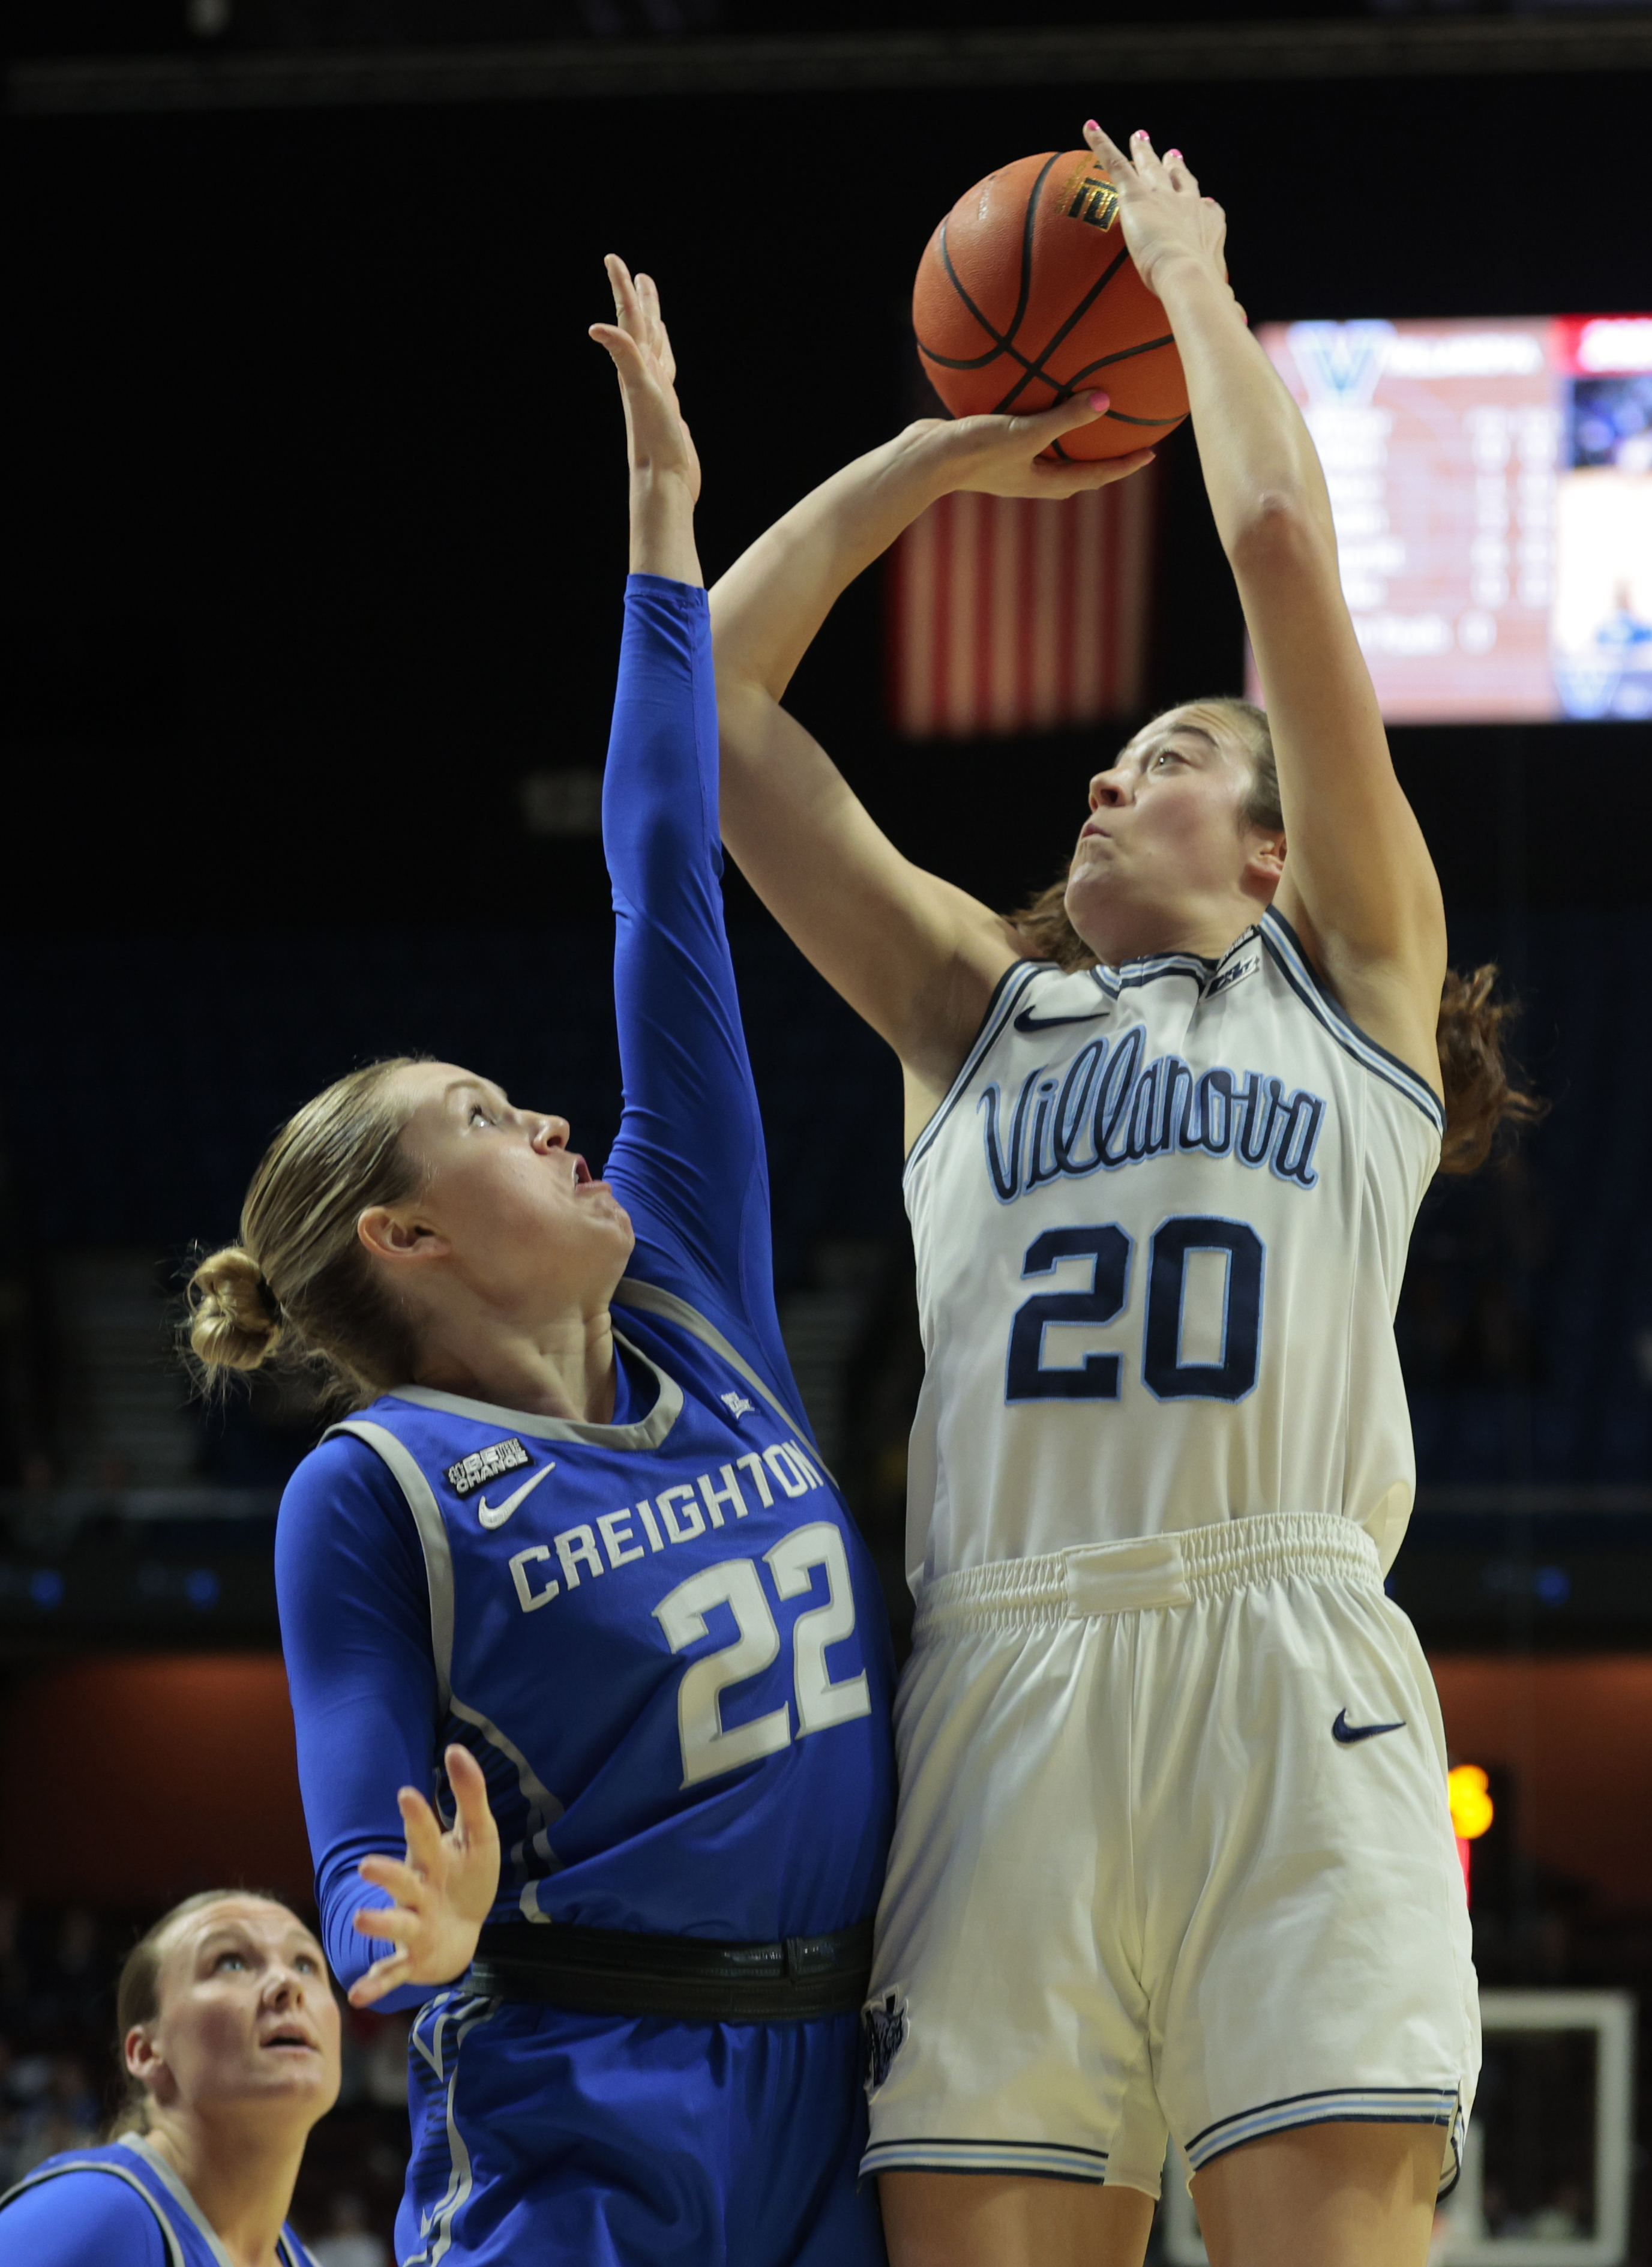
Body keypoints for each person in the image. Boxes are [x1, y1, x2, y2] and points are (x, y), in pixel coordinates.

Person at [710, 126, 1537, 2267]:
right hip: (1005, 1692)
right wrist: (936, 458)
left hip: (1291, 1674)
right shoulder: (968, 1020)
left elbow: (1269, 534)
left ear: (1274, 847)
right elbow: (691, 707)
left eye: (1170, 753)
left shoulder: (1347, 990)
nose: (1105, 772)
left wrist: (1186, 279)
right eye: (1110, 757)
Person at [182, 258, 894, 2267]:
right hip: (594, 2120)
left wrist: (667, 509)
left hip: (847, 2090)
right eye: (493, 1116)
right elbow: (366, 1881)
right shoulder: (375, 1488)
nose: (559, 1121)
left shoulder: (699, 1291)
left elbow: (658, 862)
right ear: (403, 1232)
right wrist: (416, 1928)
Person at [0, 1890, 338, 2266]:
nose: (287, 1984)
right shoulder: (92, 2215)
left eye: (306, 1965)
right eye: (231, 1962)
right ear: (146, 2053)